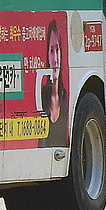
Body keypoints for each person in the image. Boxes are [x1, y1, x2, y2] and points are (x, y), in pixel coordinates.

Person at [39, 19, 70, 148]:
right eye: (51, 50)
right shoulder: (42, 95)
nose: (55, 58)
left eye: (58, 50)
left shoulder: (65, 96)